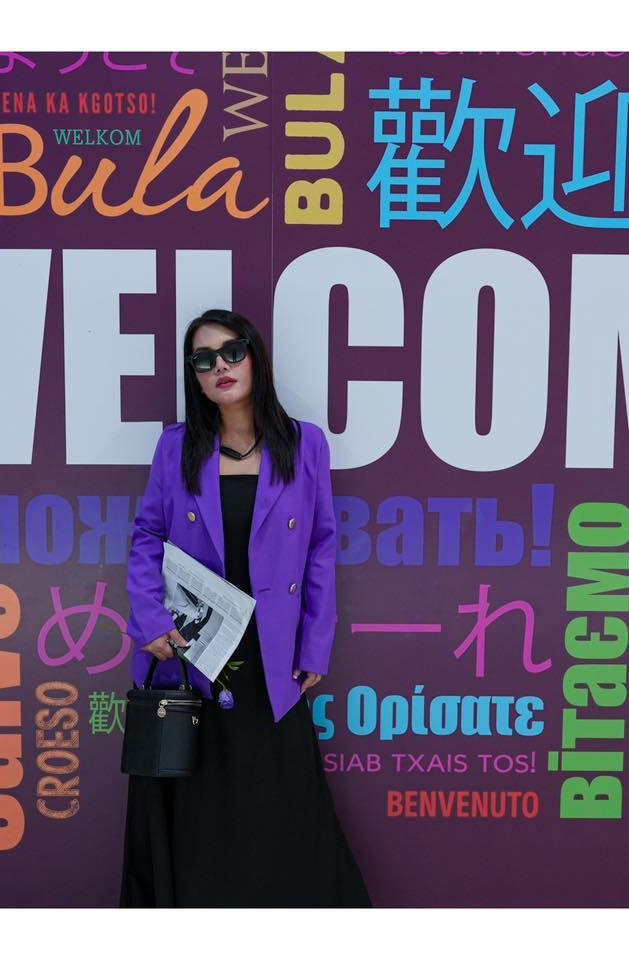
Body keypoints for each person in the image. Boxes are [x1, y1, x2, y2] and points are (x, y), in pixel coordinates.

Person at [120, 308, 372, 907]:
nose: (220, 367)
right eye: (204, 360)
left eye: (232, 352)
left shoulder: (304, 444)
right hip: (196, 652)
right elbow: (146, 537)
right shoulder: (177, 447)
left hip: (272, 656)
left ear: (255, 356)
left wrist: (315, 644)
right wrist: (151, 621)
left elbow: (320, 548)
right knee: (199, 799)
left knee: (280, 802)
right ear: (195, 377)